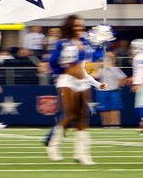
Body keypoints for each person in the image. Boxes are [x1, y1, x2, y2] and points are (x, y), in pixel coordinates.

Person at [46, 15, 105, 165]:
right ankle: (53, 146)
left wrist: (96, 83)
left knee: (83, 117)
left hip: (83, 82)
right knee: (70, 115)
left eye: (81, 26)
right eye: (76, 25)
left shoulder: (85, 42)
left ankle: (82, 153)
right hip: (67, 81)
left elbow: (89, 65)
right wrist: (63, 69)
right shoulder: (62, 43)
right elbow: (53, 62)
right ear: (70, 27)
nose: (80, 28)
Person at [95, 51, 127, 128]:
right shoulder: (100, 69)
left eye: (110, 57)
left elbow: (123, 81)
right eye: (106, 57)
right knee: (103, 111)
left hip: (114, 92)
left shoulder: (116, 69)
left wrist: (111, 67)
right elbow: (94, 76)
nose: (108, 59)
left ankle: (115, 127)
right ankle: (105, 128)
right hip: (102, 92)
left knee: (114, 110)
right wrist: (97, 66)